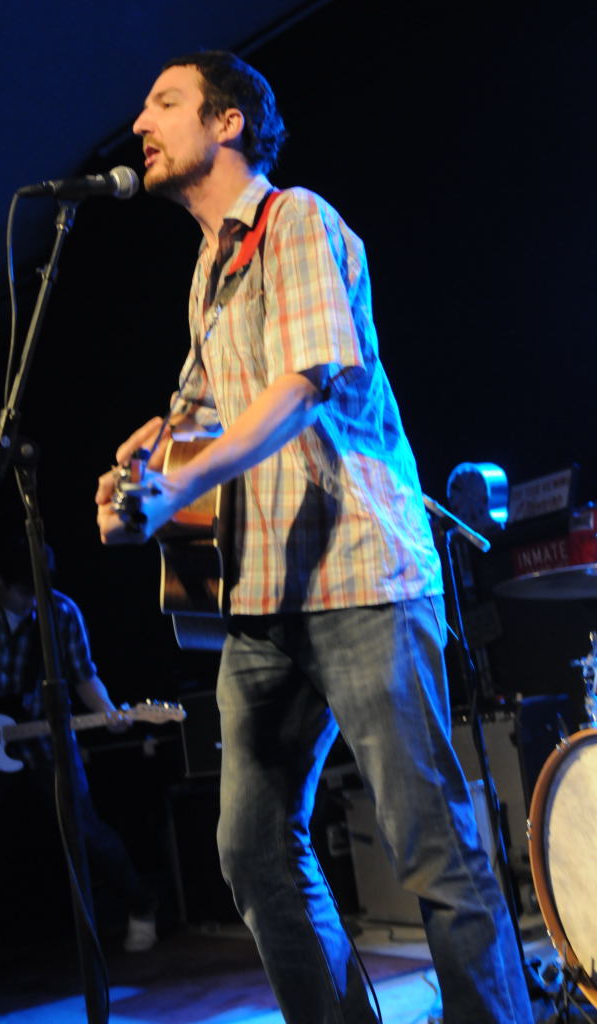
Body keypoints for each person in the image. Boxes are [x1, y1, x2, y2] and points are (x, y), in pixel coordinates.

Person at [95, 51, 534, 1024]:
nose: (140, 122)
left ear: (228, 123)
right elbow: (205, 413)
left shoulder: (295, 221)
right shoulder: (207, 273)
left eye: (164, 102)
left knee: (430, 847)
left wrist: (183, 480)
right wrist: (143, 464)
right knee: (251, 849)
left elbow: (299, 386)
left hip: (359, 580)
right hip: (262, 600)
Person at [0, 536, 157, 986]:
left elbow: (85, 677)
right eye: (22, 592)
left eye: (36, 591)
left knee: (86, 831)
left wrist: (110, 713)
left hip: (48, 738)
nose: (30, 601)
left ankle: (142, 906)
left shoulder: (60, 612)